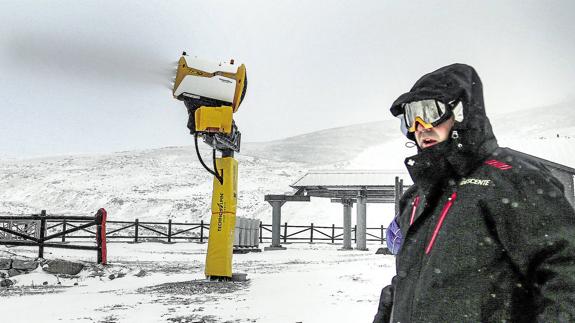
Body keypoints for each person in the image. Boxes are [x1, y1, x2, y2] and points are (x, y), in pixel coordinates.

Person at [373, 64, 575, 322]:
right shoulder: (416, 198)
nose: (421, 126)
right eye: (411, 117)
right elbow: (405, 280)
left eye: (430, 111)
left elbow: (564, 272)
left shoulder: (512, 179)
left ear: (461, 112)